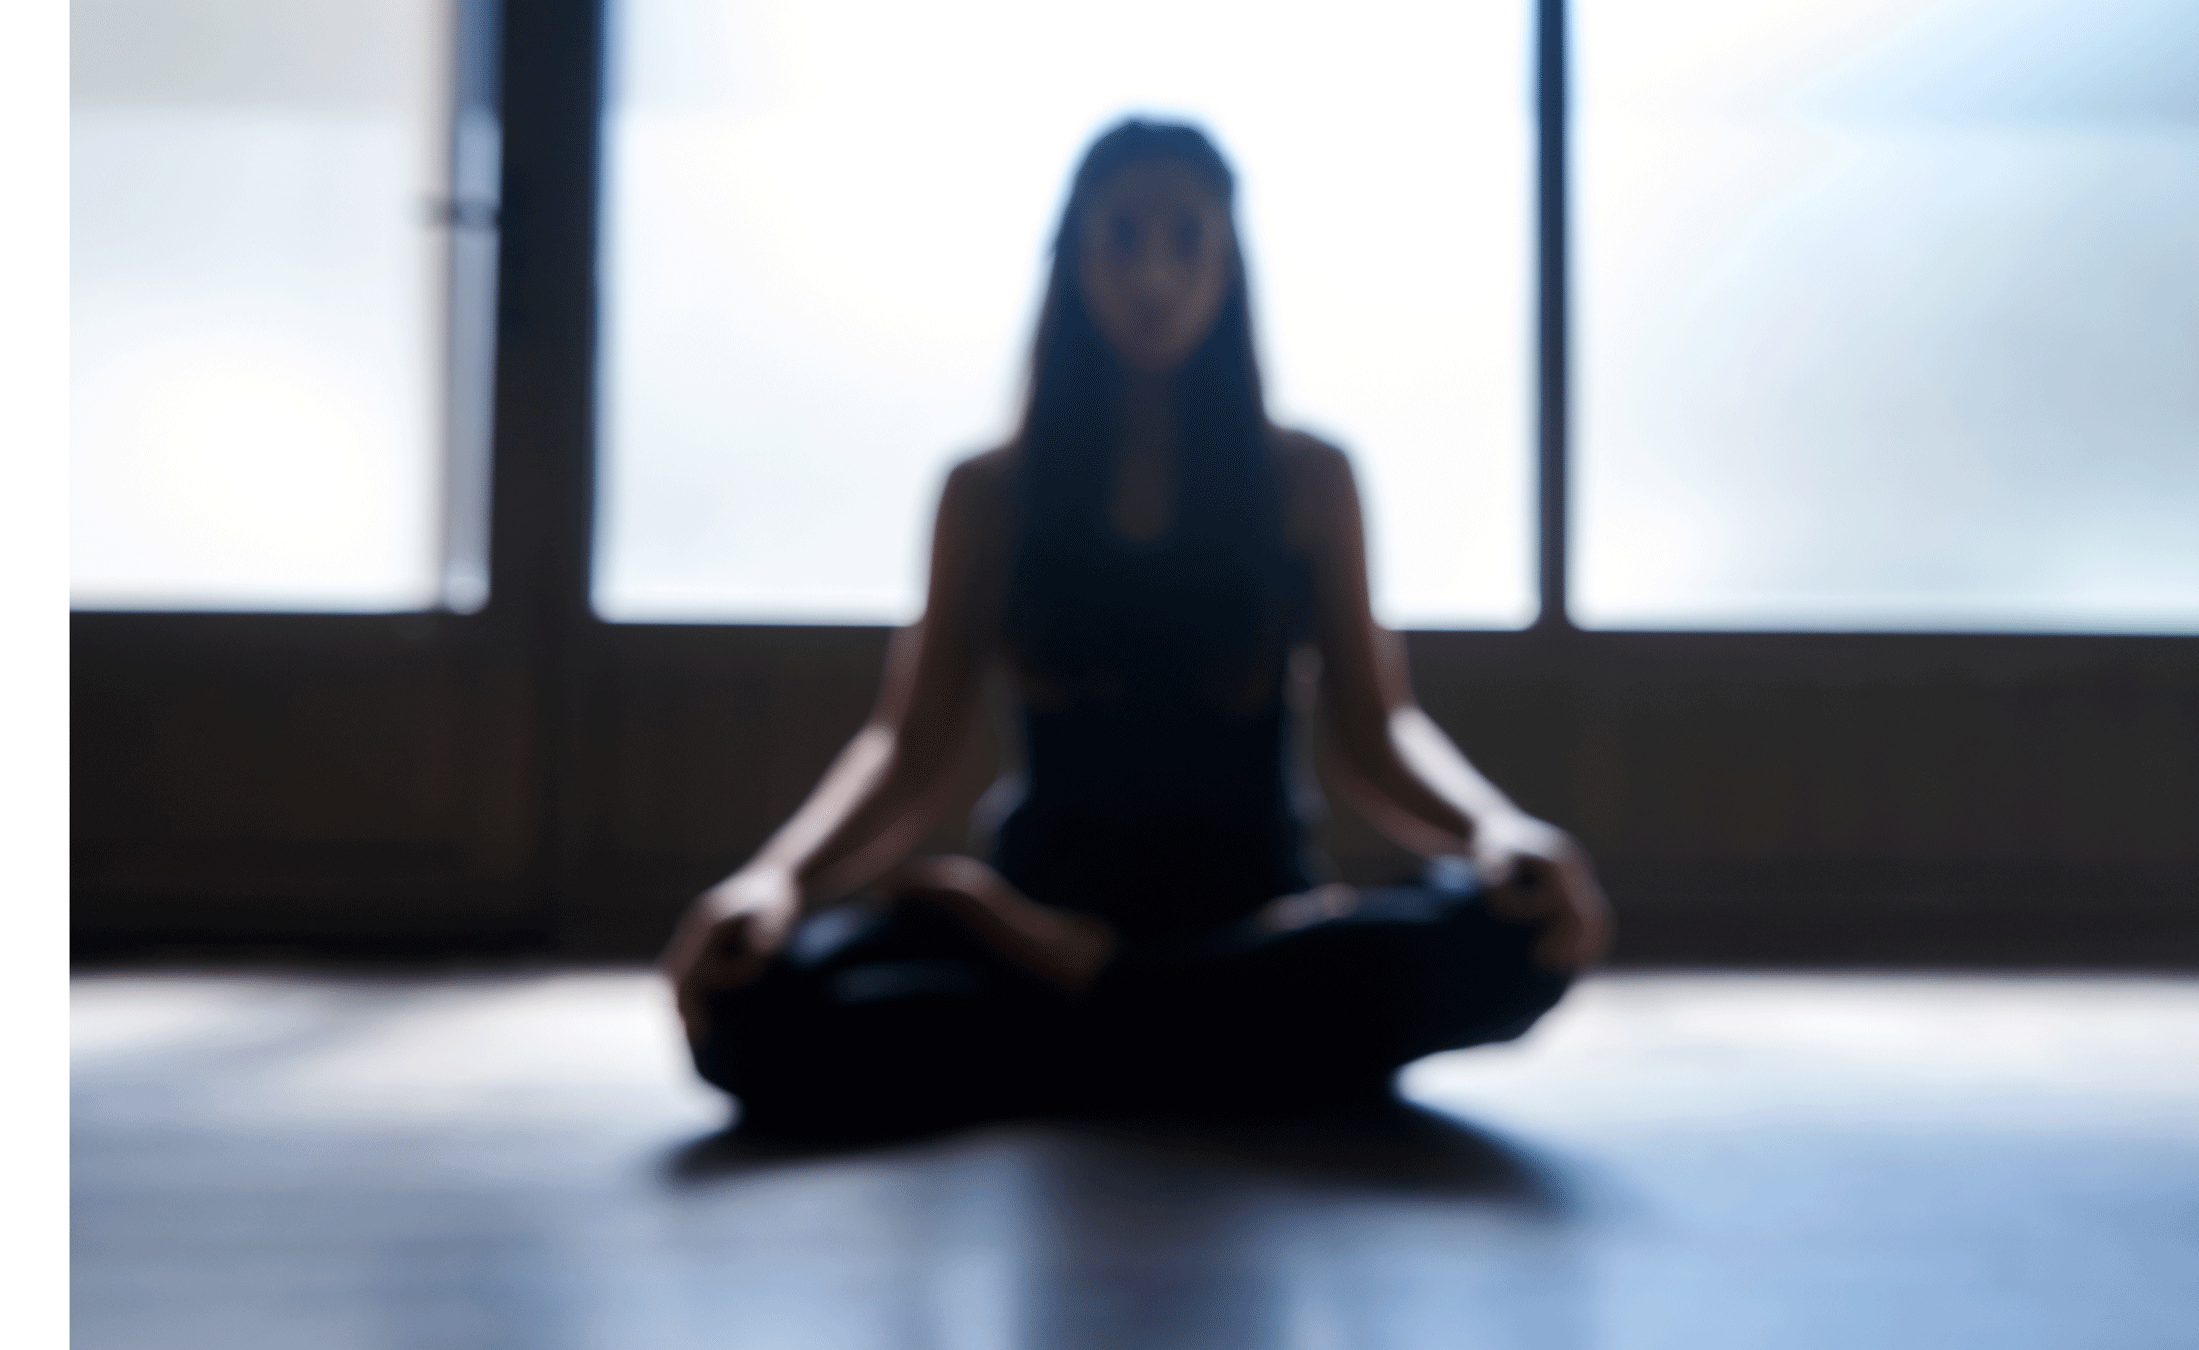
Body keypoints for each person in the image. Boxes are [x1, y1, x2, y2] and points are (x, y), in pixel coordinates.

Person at [660, 119, 1613, 1140]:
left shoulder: (1308, 481)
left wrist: (1495, 829)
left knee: (1522, 943)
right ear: (1073, 259)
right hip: (1072, 904)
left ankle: (1091, 1011)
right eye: (1121, 237)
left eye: (1185, 239)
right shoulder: (989, 493)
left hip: (1231, 922)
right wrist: (773, 879)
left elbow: (1380, 732)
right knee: (742, 1009)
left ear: (1227, 265)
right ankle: (1201, 1041)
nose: (1153, 274)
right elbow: (909, 742)